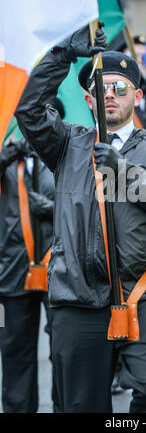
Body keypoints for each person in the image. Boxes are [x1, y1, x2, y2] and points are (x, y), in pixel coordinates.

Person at [15, 25, 146, 413]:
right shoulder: (66, 144)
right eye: (102, 89)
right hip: (78, 297)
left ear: (138, 95)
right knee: (81, 406)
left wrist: (124, 171)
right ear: (89, 100)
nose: (109, 95)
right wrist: (61, 54)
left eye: (119, 87)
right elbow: (27, 109)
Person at [0, 138, 55, 412]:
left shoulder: (63, 153)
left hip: (60, 269)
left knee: (66, 352)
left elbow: (88, 205)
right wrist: (7, 155)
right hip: (11, 271)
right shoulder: (7, 154)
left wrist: (53, 209)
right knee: (14, 353)